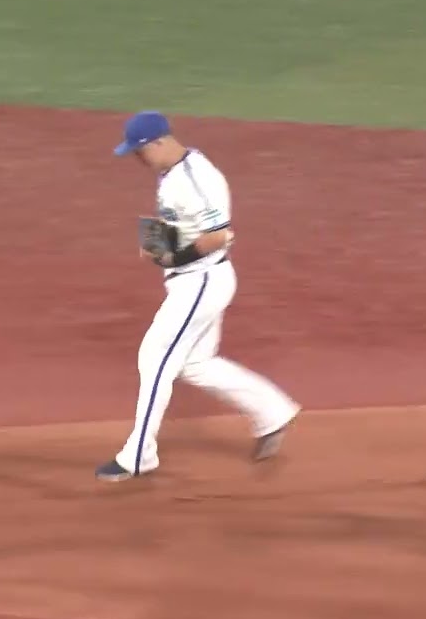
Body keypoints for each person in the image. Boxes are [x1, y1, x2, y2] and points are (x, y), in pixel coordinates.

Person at [95, 111, 301, 482]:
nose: (137, 160)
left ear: (159, 142)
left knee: (154, 356)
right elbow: (179, 221)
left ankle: (138, 455)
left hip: (201, 281)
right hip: (192, 281)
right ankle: (272, 411)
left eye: (140, 152)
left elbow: (217, 236)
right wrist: (156, 242)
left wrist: (172, 258)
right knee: (195, 363)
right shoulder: (170, 172)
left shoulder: (197, 177)